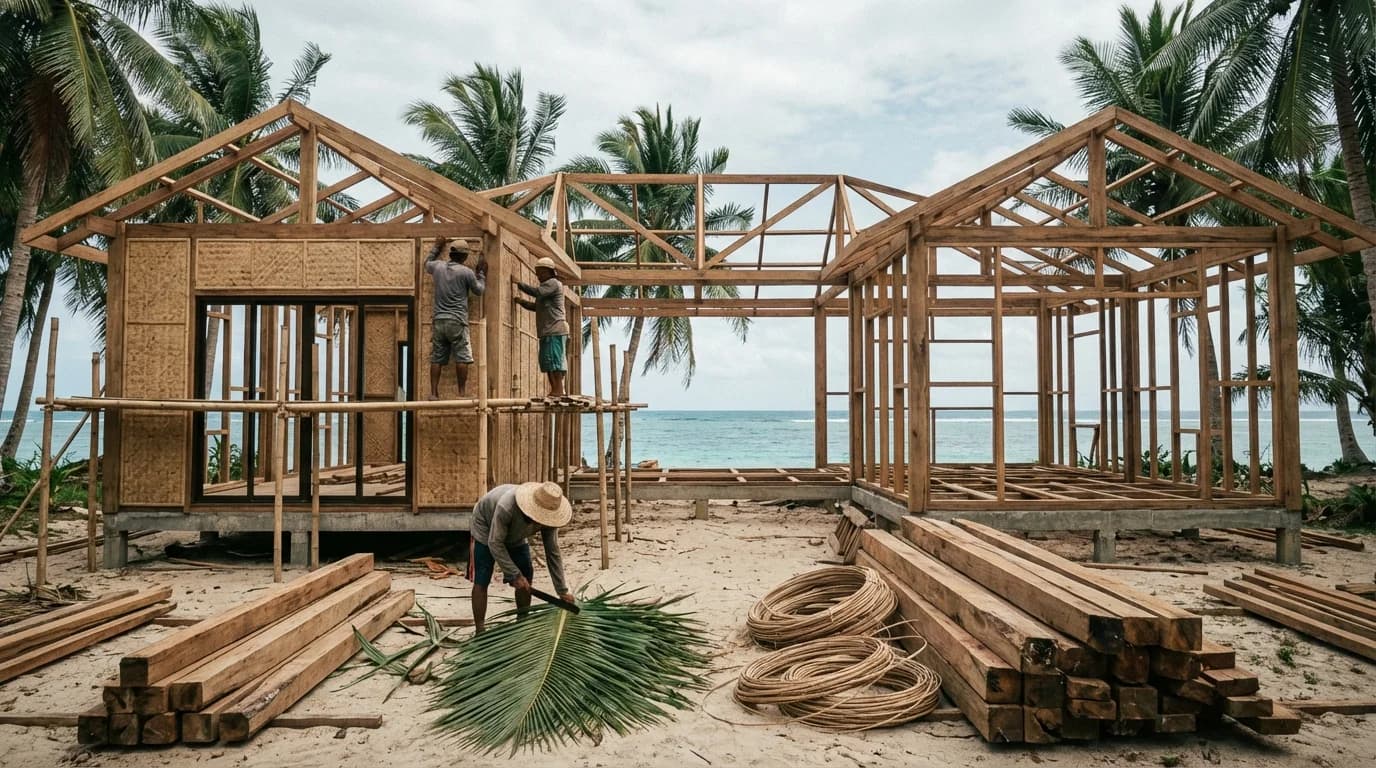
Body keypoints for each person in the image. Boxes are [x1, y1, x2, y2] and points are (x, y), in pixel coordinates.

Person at [467, 481, 575, 632]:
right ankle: (480, 630)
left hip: (516, 534)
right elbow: (495, 542)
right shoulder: (507, 507)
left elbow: (552, 551)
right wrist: (513, 574)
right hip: (485, 525)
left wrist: (562, 590)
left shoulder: (550, 514)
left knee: (526, 574)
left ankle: (522, 625)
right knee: (482, 576)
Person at [425, 237, 485, 399]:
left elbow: (427, 263)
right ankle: (461, 393)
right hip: (457, 321)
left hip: (439, 320)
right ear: (464, 257)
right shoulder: (466, 272)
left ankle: (433, 393)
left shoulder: (437, 267)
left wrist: (437, 246)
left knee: (437, 357)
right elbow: (479, 291)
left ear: (451, 253)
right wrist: (481, 273)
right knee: (462, 356)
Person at [514, 257, 569, 397]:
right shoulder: (547, 289)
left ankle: (558, 390)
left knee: (554, 361)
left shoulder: (553, 284)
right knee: (548, 362)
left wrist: (519, 284)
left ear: (550, 272)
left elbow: (537, 292)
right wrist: (521, 302)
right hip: (547, 331)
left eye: (541, 273)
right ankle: (555, 390)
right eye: (537, 273)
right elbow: (536, 307)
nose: (538, 276)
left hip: (555, 330)